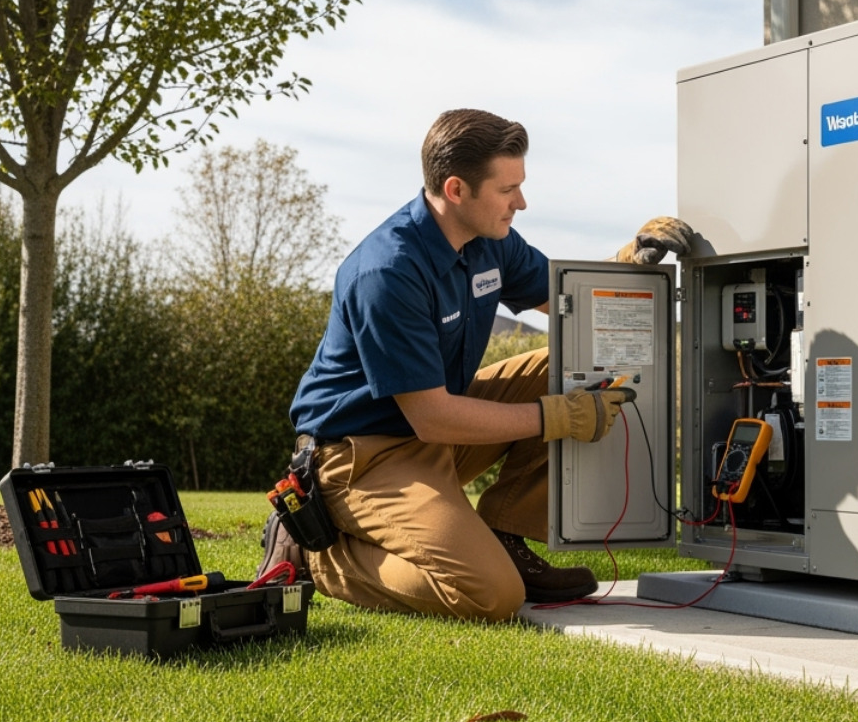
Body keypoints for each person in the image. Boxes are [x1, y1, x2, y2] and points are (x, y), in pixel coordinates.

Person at [264, 108, 691, 621]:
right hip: (363, 457)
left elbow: (566, 300)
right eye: (507, 189)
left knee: (575, 355)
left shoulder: (492, 242)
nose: (522, 202)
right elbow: (432, 416)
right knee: (491, 596)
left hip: (433, 432)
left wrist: (627, 264)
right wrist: (556, 415)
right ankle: (323, 556)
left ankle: (504, 533)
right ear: (456, 189)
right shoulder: (388, 271)